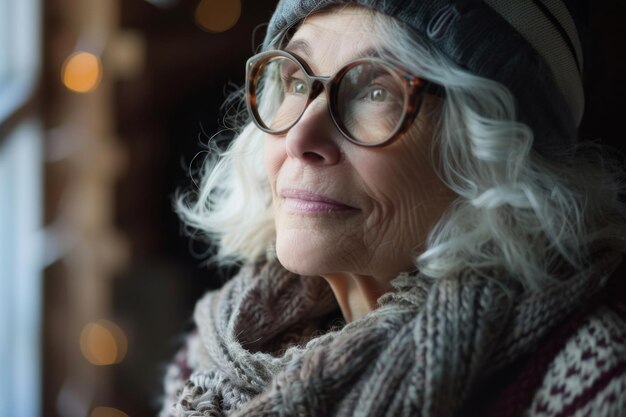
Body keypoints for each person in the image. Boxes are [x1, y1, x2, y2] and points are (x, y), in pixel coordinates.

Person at [159, 1, 626, 416]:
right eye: (297, 80)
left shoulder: (589, 383)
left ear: (495, 156)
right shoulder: (214, 355)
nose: (301, 138)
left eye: (376, 91)